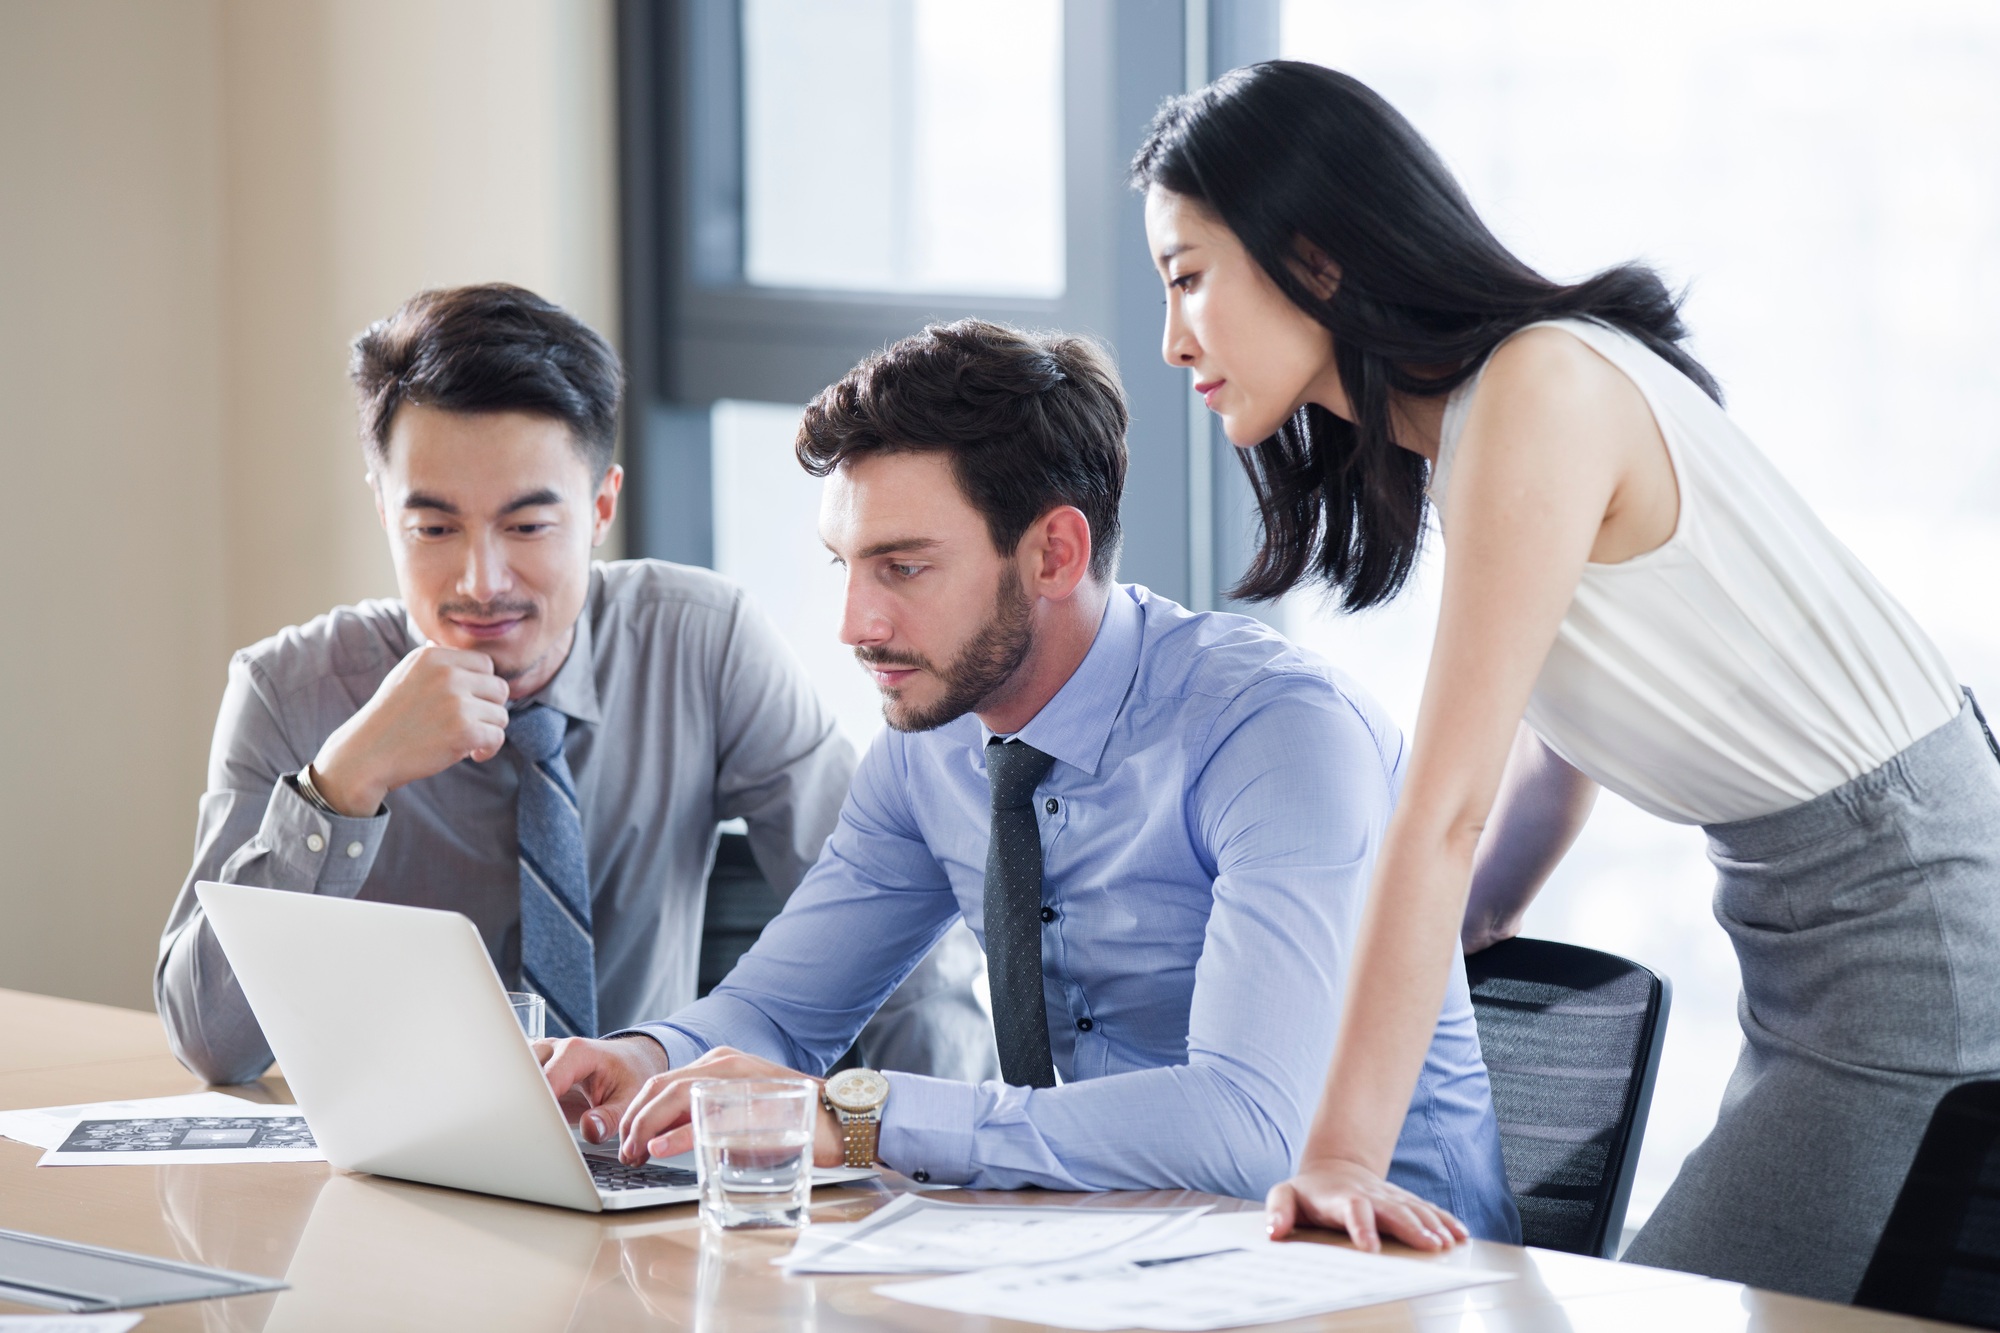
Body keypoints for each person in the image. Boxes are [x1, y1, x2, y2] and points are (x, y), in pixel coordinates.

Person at [1130, 60, 2000, 1302]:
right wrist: (1471, 925)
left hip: (1905, 928)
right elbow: (1557, 747)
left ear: (1313, 258)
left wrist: (1338, 1160)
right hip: (1825, 930)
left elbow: (1442, 809)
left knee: (1661, 1306)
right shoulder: (1478, 421)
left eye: (1186, 278)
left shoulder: (1535, 389)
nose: (1171, 339)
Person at [537, 319, 1519, 1234]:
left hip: (1387, 1274)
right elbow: (778, 1012)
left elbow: (1250, 1129)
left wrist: (861, 1116)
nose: (854, 625)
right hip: (1109, 1253)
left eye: (902, 568)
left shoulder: (1278, 737)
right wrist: (644, 1058)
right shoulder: (927, 747)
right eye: (844, 564)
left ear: (1054, 552)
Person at [155, 283, 994, 1088]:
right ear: (383, 508)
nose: (481, 580)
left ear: (600, 508)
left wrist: (931, 1161)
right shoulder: (288, 689)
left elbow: (897, 927)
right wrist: (342, 784)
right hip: (383, 1167)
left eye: (527, 525)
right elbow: (211, 1045)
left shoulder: (702, 644)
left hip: (642, 1151)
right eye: (434, 527)